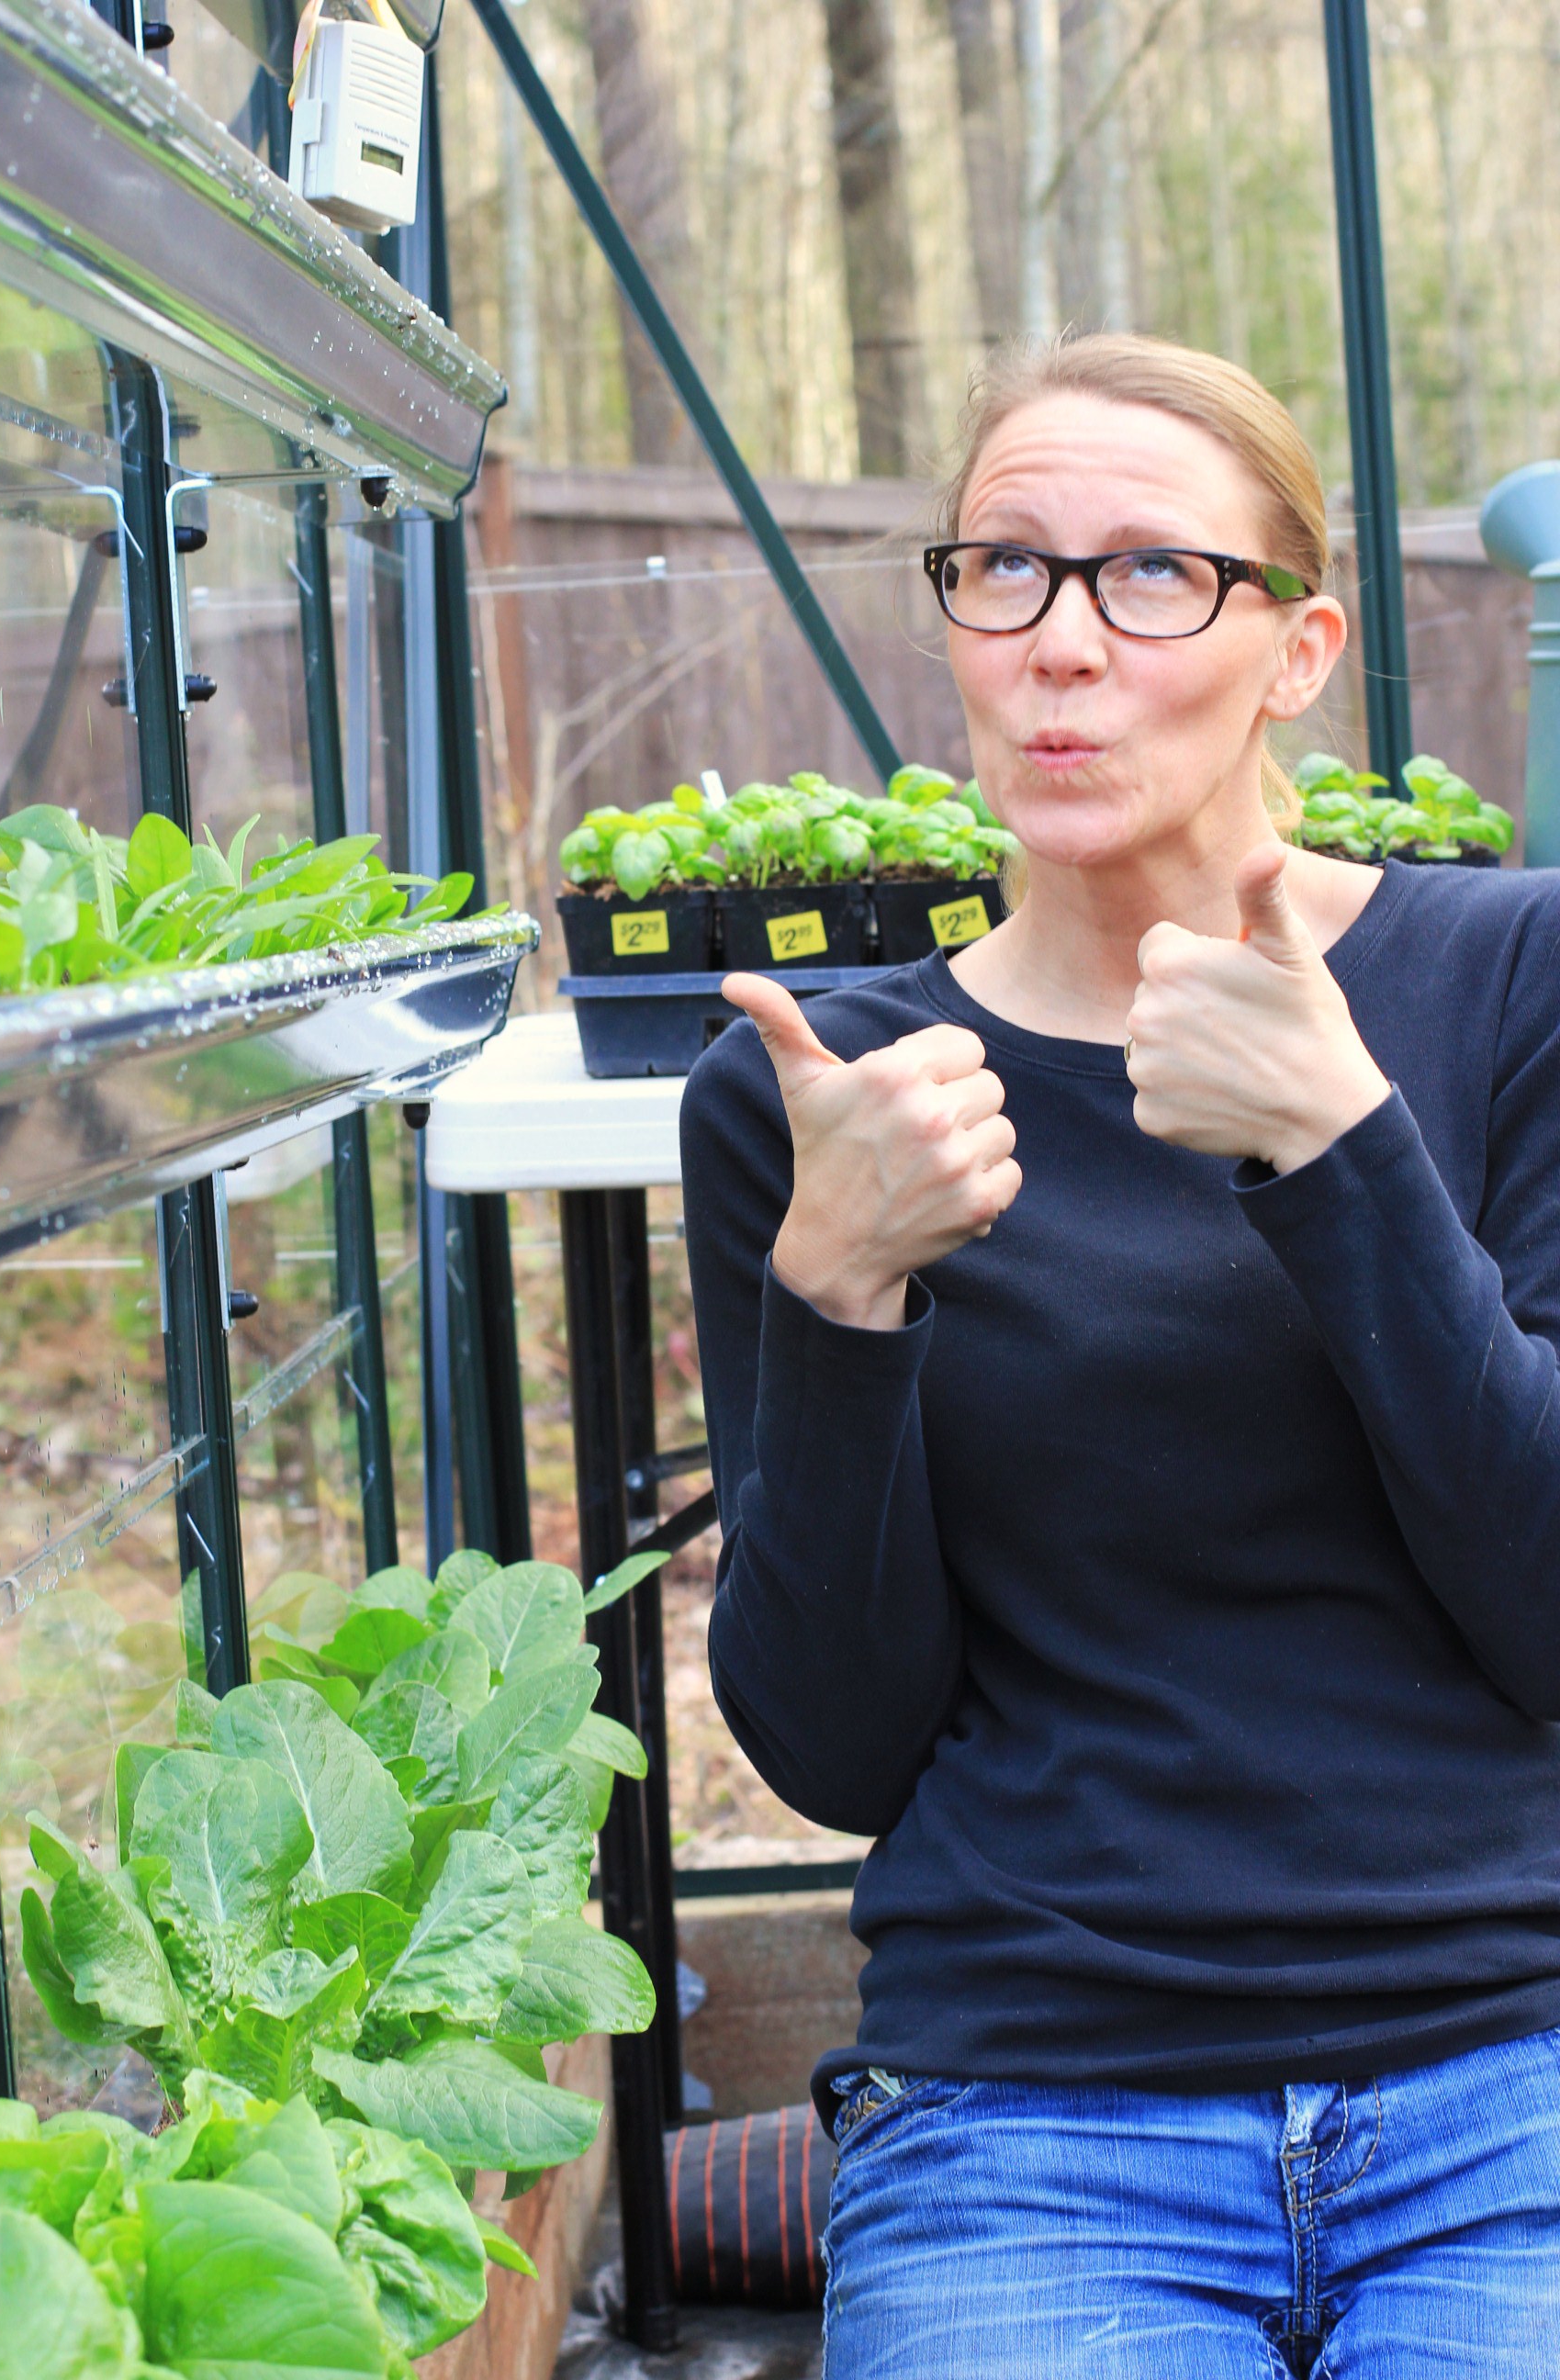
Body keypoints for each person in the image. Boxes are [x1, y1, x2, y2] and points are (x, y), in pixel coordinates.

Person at [677, 331, 1560, 2376]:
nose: (1064, 644)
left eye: (1155, 575)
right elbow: (832, 1746)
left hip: (1512, 2064)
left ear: (1299, 647)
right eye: (1008, 570)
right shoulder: (821, 1096)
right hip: (1036, 2105)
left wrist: (1342, 1156)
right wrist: (842, 1302)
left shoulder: (1512, 981)